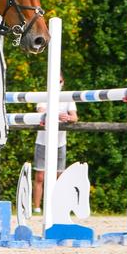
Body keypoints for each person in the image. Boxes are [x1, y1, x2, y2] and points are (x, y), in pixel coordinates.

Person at [32, 74, 78, 214]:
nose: (57, 83)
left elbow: (75, 117)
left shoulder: (68, 97)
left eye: (59, 81)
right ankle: (37, 208)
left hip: (60, 142)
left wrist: (69, 118)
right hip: (43, 141)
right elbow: (40, 110)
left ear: (63, 82)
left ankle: (58, 207)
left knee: (60, 177)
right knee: (40, 176)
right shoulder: (43, 96)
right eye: (54, 81)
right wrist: (57, 115)